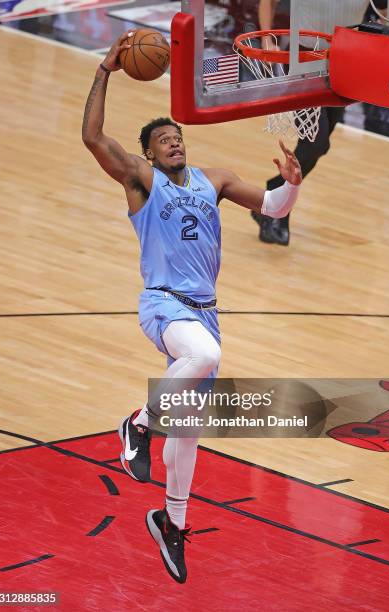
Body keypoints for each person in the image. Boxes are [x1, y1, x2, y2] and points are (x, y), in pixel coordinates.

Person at [82, 32, 302, 583]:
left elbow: (272, 206)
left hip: (204, 310)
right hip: (163, 304)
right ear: (149, 153)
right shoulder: (142, 180)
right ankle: (136, 425)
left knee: (188, 430)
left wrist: (291, 187)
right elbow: (92, 136)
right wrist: (106, 68)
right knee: (199, 356)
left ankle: (171, 521)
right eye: (163, 140)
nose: (174, 143)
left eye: (177, 137)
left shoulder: (215, 181)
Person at [253, 0, 372, 245]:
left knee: (321, 145)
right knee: (315, 143)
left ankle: (273, 195)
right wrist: (267, 38)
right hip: (305, 58)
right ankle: (275, 205)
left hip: (346, 58)